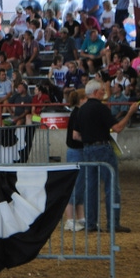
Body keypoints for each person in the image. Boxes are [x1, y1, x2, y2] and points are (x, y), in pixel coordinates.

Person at [73, 80, 140, 234]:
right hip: (103, 148)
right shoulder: (101, 109)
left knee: (91, 187)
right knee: (111, 186)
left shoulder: (81, 111)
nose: (104, 92)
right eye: (102, 90)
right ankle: (113, 223)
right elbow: (117, 128)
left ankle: (91, 223)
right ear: (96, 92)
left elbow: (76, 135)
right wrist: (130, 112)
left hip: (88, 149)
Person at [63, 89, 87, 232]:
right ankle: (70, 220)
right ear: (81, 100)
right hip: (76, 152)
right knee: (75, 186)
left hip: (77, 152)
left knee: (80, 186)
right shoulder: (77, 114)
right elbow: (76, 136)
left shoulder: (77, 113)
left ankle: (80, 218)